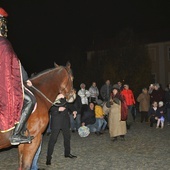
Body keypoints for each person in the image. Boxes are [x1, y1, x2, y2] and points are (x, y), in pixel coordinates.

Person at [0, 7, 36, 145]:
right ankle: (16, 134)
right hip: (4, 86)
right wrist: (25, 80)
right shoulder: (4, 44)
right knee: (30, 100)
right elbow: (15, 64)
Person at [46, 94, 77, 166]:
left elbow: (69, 105)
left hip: (65, 121)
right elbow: (49, 107)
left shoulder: (64, 97)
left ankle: (67, 153)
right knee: (53, 140)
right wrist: (57, 109)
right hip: (56, 121)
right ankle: (48, 158)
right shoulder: (53, 97)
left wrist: (74, 110)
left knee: (67, 137)